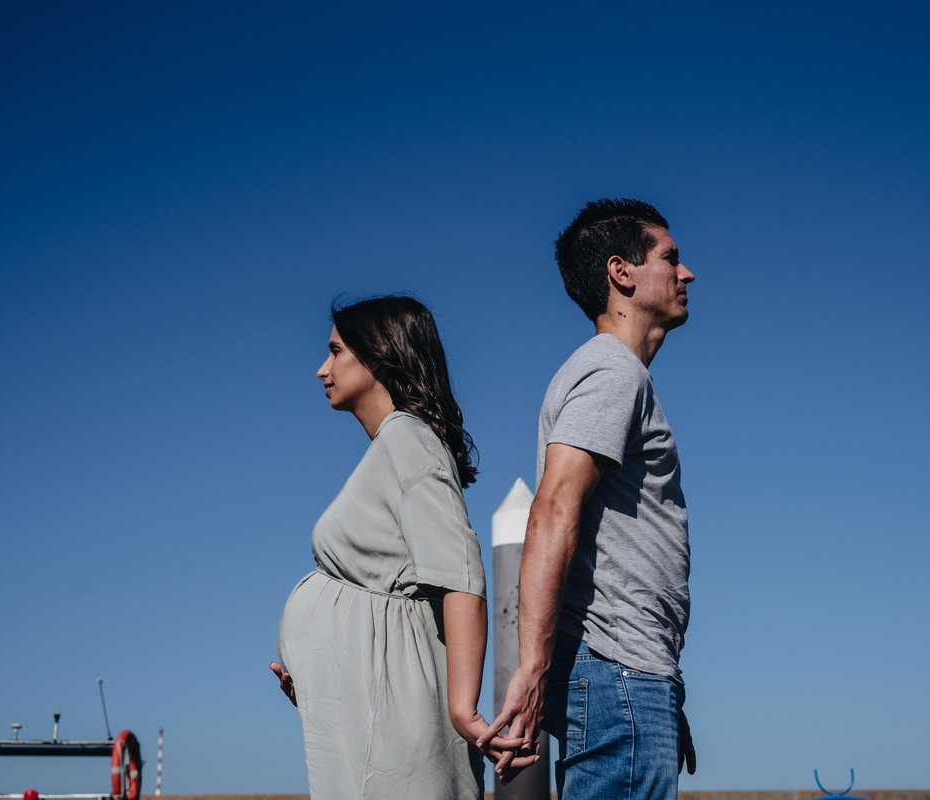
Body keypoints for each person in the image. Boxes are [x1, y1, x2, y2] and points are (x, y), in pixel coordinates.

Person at [270, 296, 529, 800]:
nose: (322, 369)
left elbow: (461, 575)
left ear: (379, 356)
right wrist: (323, 679)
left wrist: (464, 710)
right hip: (371, 713)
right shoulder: (393, 446)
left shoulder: (408, 439)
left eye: (336, 351)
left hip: (398, 725)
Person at [481, 199, 698, 798]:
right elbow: (553, 506)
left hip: (629, 677)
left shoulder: (616, 374)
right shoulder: (612, 372)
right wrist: (532, 667)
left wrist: (659, 689)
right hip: (618, 674)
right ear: (621, 272)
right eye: (670, 258)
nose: (686, 273)